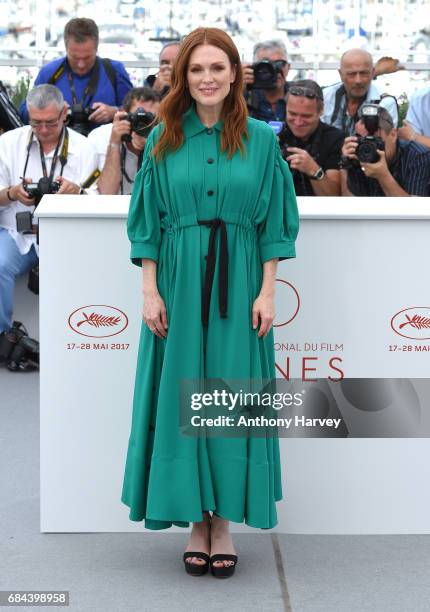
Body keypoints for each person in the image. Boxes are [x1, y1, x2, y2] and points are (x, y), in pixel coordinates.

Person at [121, 27, 299, 578]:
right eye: (197, 69)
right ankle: (195, 517)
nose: (206, 78)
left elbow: (275, 221)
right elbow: (147, 221)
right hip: (176, 279)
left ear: (235, 74)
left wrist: (268, 290)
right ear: (182, 76)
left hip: (240, 280)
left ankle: (222, 522)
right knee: (182, 395)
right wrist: (149, 291)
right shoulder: (163, 139)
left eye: (217, 68)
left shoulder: (262, 140)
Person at [0, 84, 99, 333]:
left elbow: (96, 197)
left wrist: (77, 192)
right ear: (28, 116)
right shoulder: (7, 143)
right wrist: (12, 193)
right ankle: (2, 336)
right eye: (35, 123)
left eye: (51, 123)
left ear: (64, 113)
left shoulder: (84, 147)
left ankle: (74, 338)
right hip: (16, 232)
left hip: (65, 236)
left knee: (84, 276)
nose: (43, 130)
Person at [19, 18, 133, 133]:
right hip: (60, 145)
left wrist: (114, 112)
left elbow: (135, 112)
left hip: (105, 147)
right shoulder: (50, 73)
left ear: (97, 48)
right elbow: (24, 112)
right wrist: (52, 111)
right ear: (65, 48)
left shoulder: (114, 71)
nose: (81, 64)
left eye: (87, 57)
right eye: (74, 57)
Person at [340, 105, 430, 196]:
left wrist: (383, 177)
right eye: (361, 140)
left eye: (374, 140)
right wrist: (345, 164)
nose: (367, 147)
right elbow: (351, 204)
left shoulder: (417, 155)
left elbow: (416, 209)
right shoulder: (357, 155)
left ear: (393, 135)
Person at [89, 87, 161, 195]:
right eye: (138, 118)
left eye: (151, 119)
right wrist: (114, 143)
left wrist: (153, 148)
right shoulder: (100, 136)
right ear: (124, 115)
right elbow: (106, 194)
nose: (145, 125)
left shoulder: (165, 137)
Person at [279, 80, 343, 196]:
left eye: (306, 116)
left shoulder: (335, 139)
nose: (298, 122)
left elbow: (334, 198)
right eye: (292, 114)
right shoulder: (275, 135)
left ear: (321, 111)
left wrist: (314, 171)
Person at [322, 49, 398, 136]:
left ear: (372, 73)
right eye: (351, 74)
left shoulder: (385, 102)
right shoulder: (326, 97)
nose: (358, 80)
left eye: (364, 73)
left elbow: (387, 144)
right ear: (341, 74)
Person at [242, 39, 291, 122]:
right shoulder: (244, 96)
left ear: (288, 67)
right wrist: (237, 90)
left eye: (279, 63)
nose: (273, 69)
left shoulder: (298, 95)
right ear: (254, 68)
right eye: (266, 65)